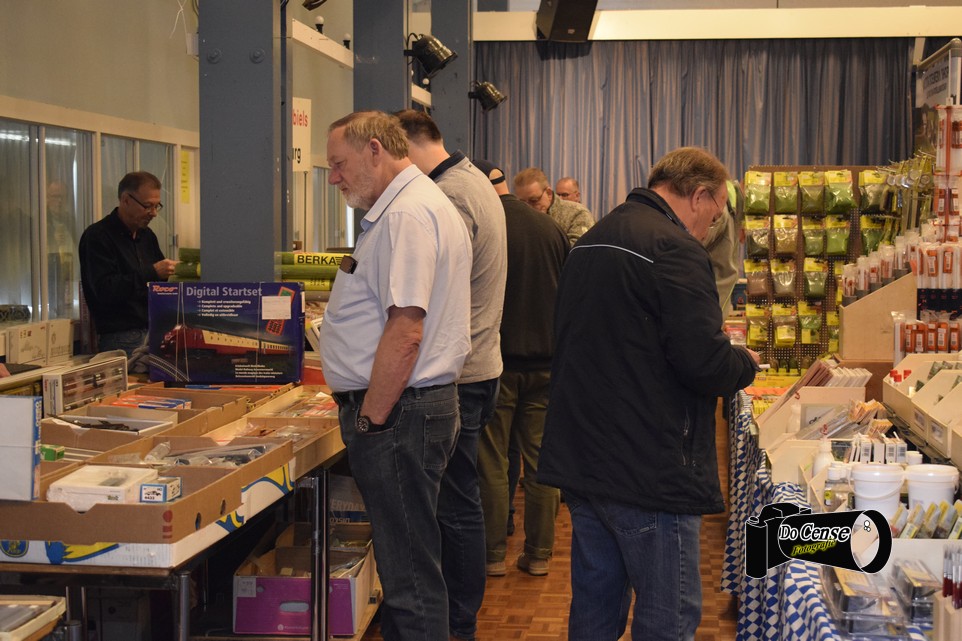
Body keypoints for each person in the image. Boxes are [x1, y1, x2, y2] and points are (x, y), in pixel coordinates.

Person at [538, 147, 760, 641]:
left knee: (595, 609)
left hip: (584, 457)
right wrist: (745, 362)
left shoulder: (593, 238)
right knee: (667, 619)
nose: (710, 226)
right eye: (715, 213)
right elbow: (704, 363)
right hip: (648, 466)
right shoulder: (676, 249)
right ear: (698, 195)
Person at [319, 110, 472, 641]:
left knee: (408, 576)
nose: (334, 178)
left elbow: (406, 331)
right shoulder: (410, 207)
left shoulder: (406, 214)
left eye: (339, 164)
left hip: (399, 413)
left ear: (375, 150)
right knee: (412, 564)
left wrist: (370, 420)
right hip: (408, 410)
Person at [394, 110, 507, 641]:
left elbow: (429, 292)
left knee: (455, 505)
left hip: (460, 373)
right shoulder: (470, 181)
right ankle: (459, 615)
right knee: (459, 499)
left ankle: (459, 620)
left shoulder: (450, 195)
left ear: (407, 147)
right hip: (477, 365)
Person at [473, 159, 569, 578]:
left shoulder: (484, 229)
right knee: (541, 463)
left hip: (498, 364)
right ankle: (539, 554)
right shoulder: (551, 229)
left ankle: (493, 555)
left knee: (493, 462)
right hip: (548, 364)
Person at [79, 171, 177, 365]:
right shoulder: (98, 236)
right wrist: (152, 272)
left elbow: (157, 283)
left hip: (153, 330)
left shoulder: (147, 236)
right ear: (126, 200)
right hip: (121, 337)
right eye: (147, 206)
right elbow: (105, 290)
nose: (154, 213)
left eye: (157, 206)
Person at [513, 167, 594, 246]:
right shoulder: (518, 216)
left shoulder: (578, 213)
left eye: (534, 200)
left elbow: (578, 250)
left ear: (548, 193)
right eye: (522, 203)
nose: (528, 207)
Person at [702, 179, 744, 318]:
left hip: (709, 315)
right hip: (703, 315)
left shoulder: (731, 210)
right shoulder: (722, 213)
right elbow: (687, 252)